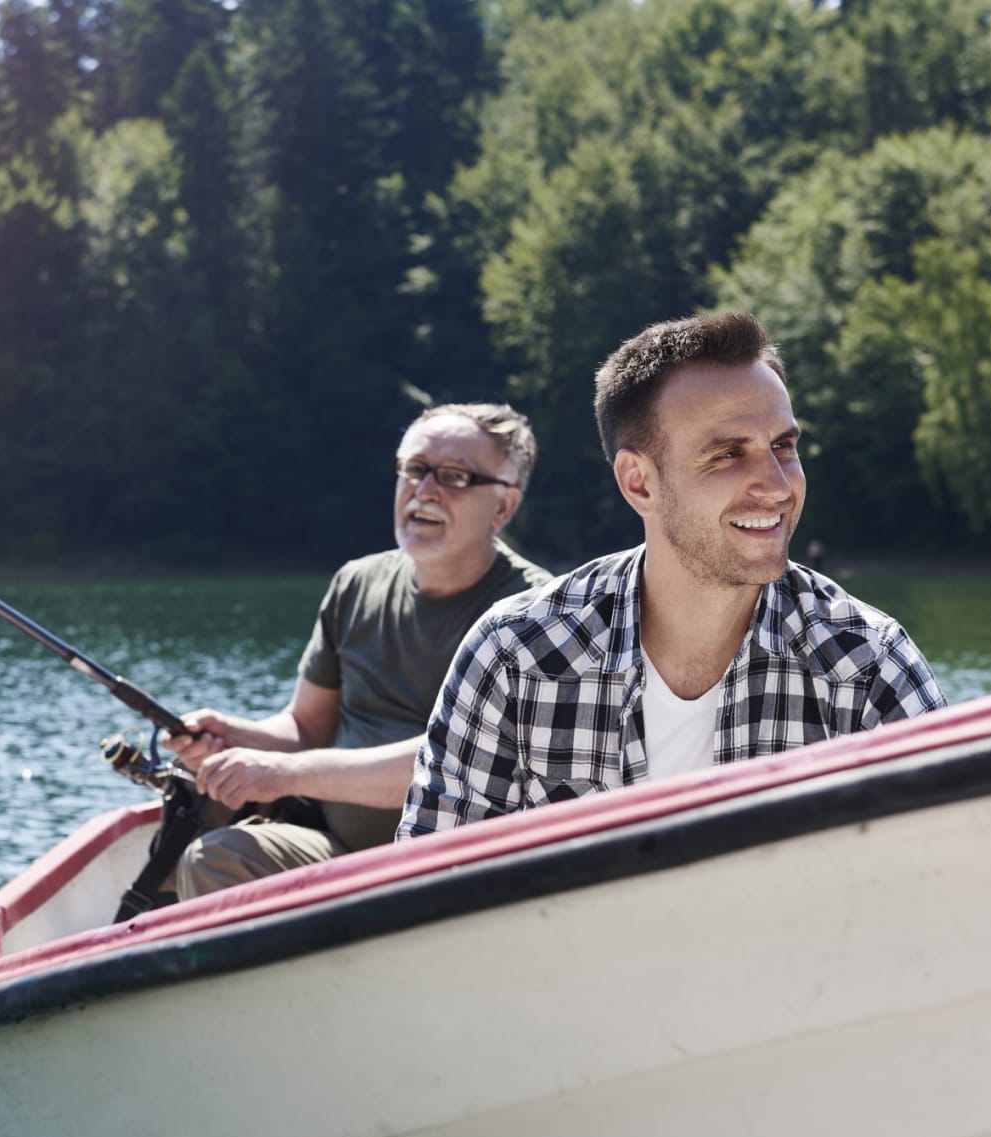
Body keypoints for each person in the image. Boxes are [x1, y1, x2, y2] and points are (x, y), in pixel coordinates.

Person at [398, 312, 945, 838]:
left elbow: (954, 867)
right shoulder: (517, 653)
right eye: (728, 454)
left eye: (783, 447)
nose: (778, 486)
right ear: (639, 483)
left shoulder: (866, 662)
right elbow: (426, 879)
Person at [164, 403, 552, 897]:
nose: (424, 490)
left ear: (503, 507)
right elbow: (306, 727)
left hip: (457, 873)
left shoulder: (535, 614)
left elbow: (450, 765)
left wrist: (283, 774)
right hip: (340, 851)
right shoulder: (356, 584)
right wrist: (235, 737)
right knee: (214, 861)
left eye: (454, 476)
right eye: (413, 469)